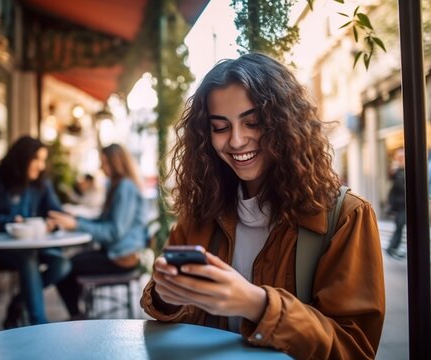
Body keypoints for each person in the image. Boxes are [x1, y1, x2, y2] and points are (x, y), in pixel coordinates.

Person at [139, 53, 385, 359]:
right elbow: (170, 314)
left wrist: (256, 304)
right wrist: (166, 296)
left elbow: (354, 349)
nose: (237, 141)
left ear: (285, 124)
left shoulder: (347, 216)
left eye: (253, 122)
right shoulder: (201, 210)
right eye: (220, 127)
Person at [0, 135, 71, 327]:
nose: (41, 166)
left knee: (62, 263)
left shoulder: (40, 182)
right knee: (28, 256)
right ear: (22, 158)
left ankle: (18, 304)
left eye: (43, 160)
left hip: (31, 246)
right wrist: (11, 221)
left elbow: (57, 213)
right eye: (37, 159)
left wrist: (53, 222)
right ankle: (38, 325)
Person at [48, 143, 148, 319]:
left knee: (64, 268)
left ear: (116, 163)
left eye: (105, 162)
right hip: (115, 253)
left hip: (122, 258)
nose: (101, 167)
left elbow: (114, 232)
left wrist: (76, 224)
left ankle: (77, 316)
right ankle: (79, 315)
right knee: (66, 264)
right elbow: (103, 222)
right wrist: (75, 220)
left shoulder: (125, 187)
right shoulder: (118, 186)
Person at [386, 147, 406, 259]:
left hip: (403, 205)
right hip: (400, 206)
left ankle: (393, 248)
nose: (403, 159)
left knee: (400, 227)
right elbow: (397, 190)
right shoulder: (397, 172)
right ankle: (391, 248)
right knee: (399, 227)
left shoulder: (402, 171)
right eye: (401, 157)